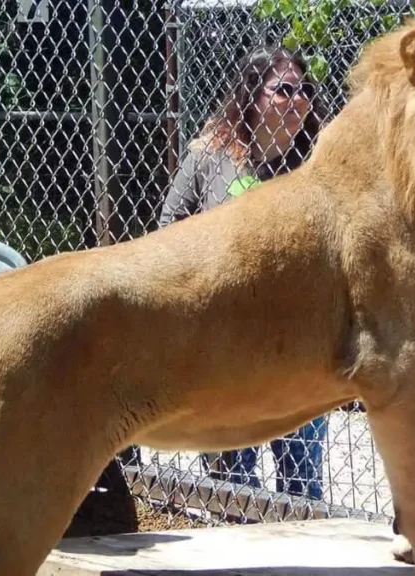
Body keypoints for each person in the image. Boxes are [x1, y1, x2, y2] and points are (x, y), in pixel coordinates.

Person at [157, 45, 329, 500]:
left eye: (305, 89)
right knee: (231, 485)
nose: (299, 100)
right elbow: (169, 225)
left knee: (302, 487)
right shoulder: (210, 155)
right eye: (285, 90)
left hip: (300, 345)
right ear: (252, 97)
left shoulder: (318, 162)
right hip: (226, 343)